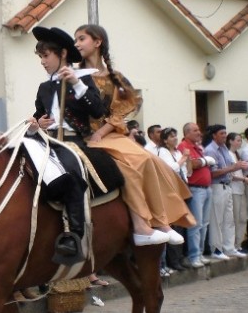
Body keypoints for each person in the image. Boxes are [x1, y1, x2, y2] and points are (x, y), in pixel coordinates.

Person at [74, 24, 193, 246]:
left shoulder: (115, 77)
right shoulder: (75, 76)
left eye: (81, 39)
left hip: (107, 134)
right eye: (76, 40)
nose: (77, 44)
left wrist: (102, 131)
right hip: (85, 136)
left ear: (97, 42)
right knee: (131, 165)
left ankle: (161, 220)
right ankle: (141, 225)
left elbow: (123, 110)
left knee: (150, 159)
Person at [28, 26, 106, 260]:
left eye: (46, 55)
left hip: (73, 142)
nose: (42, 61)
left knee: (71, 175)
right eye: (40, 56)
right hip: (47, 141)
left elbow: (98, 111)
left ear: (62, 54)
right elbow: (37, 115)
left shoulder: (83, 79)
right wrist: (36, 124)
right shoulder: (44, 87)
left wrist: (76, 84)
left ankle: (74, 235)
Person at [204, 124, 248, 259]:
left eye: (225, 133)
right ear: (214, 135)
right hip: (217, 187)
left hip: (227, 185)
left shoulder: (224, 148)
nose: (224, 136)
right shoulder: (210, 150)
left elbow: (230, 168)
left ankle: (229, 248)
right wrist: (234, 167)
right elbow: (213, 173)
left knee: (229, 219)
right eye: (221, 133)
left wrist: (238, 171)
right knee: (217, 220)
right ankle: (216, 249)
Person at [177, 122, 214, 268]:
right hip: (196, 189)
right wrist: (205, 161)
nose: (199, 132)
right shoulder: (184, 147)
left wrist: (202, 161)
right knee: (196, 224)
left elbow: (200, 163)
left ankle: (199, 253)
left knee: (204, 224)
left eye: (199, 129)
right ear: (186, 133)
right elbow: (193, 165)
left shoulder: (198, 147)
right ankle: (193, 256)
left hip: (206, 188)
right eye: (195, 130)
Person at [157, 127, 189, 272]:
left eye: (175, 136)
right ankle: (173, 260)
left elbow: (186, 171)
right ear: (165, 140)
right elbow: (171, 168)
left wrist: (185, 159)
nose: (175, 138)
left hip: (180, 190)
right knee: (174, 225)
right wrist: (183, 158)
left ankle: (180, 257)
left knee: (181, 226)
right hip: (170, 192)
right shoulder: (163, 152)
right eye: (171, 137)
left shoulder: (177, 152)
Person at [226, 132, 248, 253]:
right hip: (234, 189)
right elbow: (230, 174)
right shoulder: (228, 154)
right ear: (230, 141)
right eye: (237, 140)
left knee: (242, 218)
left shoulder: (237, 154)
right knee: (235, 218)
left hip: (241, 189)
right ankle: (232, 245)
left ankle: (238, 244)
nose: (240, 142)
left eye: (240, 140)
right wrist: (244, 179)